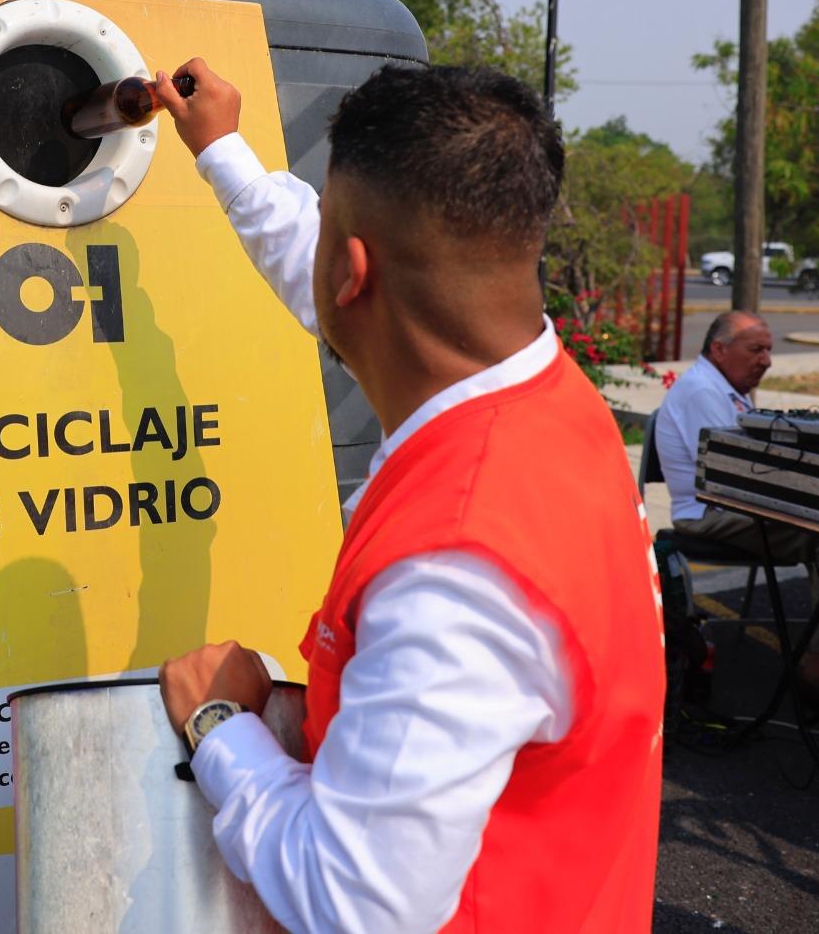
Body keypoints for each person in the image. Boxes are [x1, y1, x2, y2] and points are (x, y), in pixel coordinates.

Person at [154, 61, 664, 933]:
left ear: (353, 271)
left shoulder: (453, 568)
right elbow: (341, 286)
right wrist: (224, 154)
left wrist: (220, 729)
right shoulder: (544, 392)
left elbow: (354, 903)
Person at [657, 310, 819, 697]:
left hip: (730, 504)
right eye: (756, 350)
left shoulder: (724, 387)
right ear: (719, 349)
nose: (766, 361)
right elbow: (736, 476)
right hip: (708, 512)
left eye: (768, 350)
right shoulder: (703, 391)